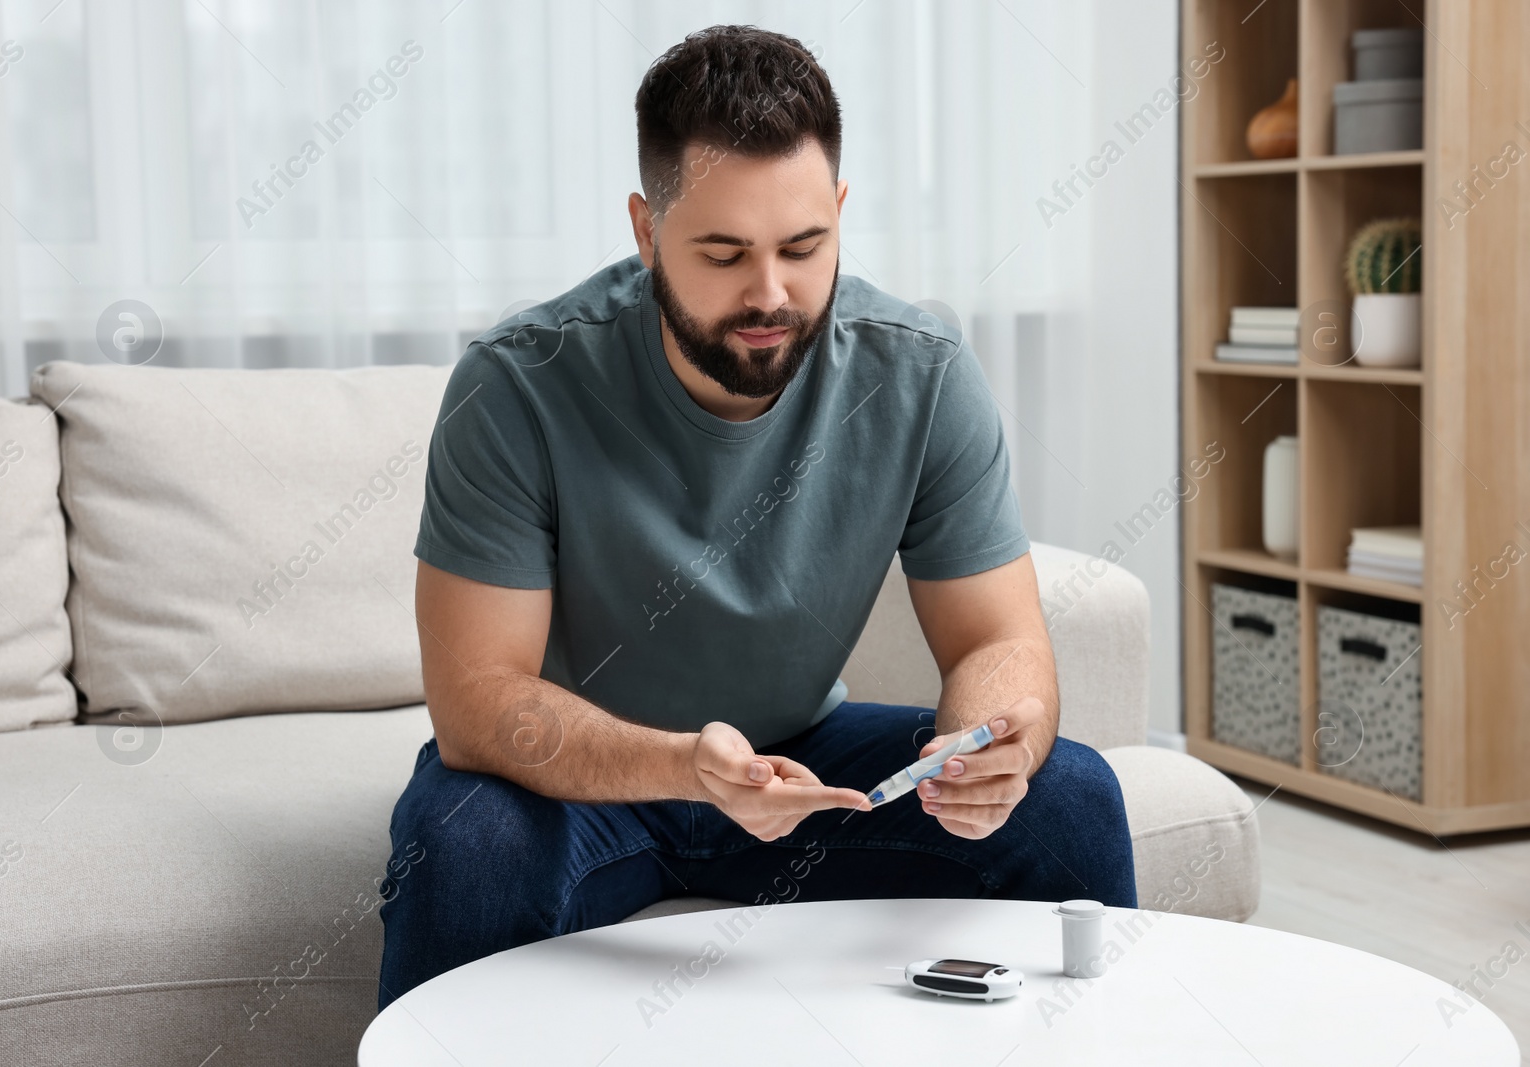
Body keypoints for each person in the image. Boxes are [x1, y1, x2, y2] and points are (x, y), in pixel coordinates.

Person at [376, 23, 1134, 1010]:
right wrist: (683, 767)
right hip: (583, 780)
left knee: (1070, 798)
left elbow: (999, 638)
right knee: (460, 840)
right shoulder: (517, 384)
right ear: (647, 232)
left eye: (803, 246)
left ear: (839, 213)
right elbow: (477, 703)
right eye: (724, 253)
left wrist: (991, 741)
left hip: (802, 764)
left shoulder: (921, 373)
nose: (769, 293)